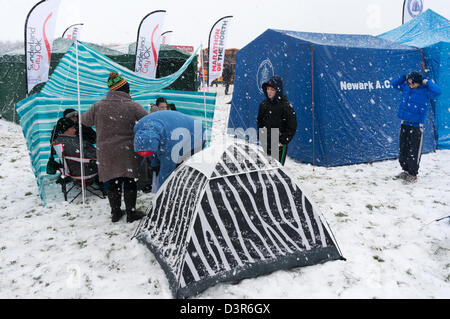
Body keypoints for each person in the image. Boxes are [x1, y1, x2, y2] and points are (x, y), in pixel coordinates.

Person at [81, 72, 148, 223]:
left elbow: (84, 122)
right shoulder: (133, 106)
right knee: (129, 181)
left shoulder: (97, 106)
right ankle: (131, 213)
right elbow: (147, 120)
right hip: (127, 150)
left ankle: (115, 213)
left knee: (113, 181)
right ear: (124, 89)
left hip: (106, 151)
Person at [134, 110, 205, 191]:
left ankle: (186, 191)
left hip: (196, 132)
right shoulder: (139, 128)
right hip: (174, 126)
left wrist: (160, 193)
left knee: (184, 170)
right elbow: (149, 150)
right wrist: (154, 164)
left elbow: (166, 172)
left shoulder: (169, 145)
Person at [391, 71, 441, 184]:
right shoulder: (406, 87)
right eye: (409, 82)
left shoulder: (426, 91)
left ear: (419, 82)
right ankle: (405, 170)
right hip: (405, 123)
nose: (411, 85)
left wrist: (427, 81)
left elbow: (438, 92)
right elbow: (394, 84)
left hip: (417, 126)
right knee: (403, 148)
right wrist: (403, 77)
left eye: (413, 83)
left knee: (414, 150)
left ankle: (413, 174)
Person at [257, 75, 297, 165]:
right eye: (268, 89)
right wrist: (261, 136)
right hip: (266, 140)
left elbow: (292, 126)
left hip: (278, 141)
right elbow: (260, 122)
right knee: (265, 167)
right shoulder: (263, 104)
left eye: (272, 90)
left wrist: (283, 141)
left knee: (276, 168)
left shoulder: (285, 106)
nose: (269, 92)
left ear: (277, 90)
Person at [47, 108, 97, 174]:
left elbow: (94, 138)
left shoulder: (82, 126)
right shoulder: (61, 128)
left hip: (83, 154)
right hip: (79, 162)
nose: (74, 118)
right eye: (71, 116)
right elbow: (54, 144)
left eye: (75, 115)